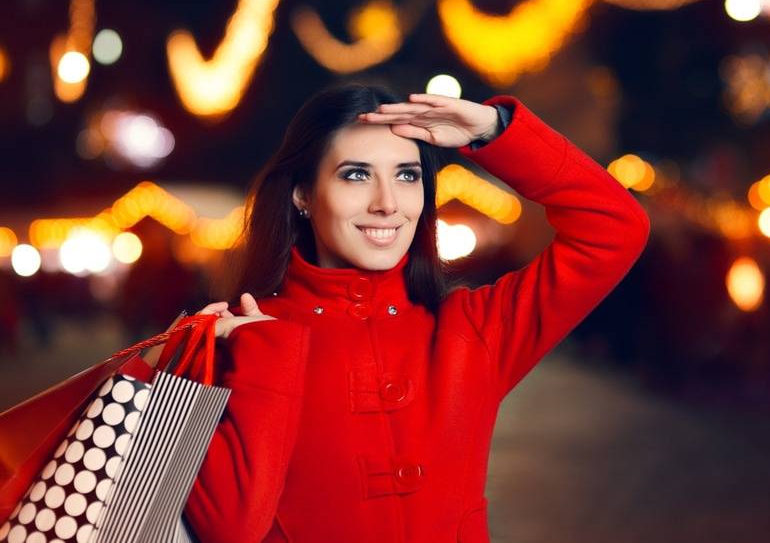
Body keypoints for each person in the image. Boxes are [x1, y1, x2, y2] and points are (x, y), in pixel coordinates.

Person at [184, 83, 650, 542]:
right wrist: (264, 360)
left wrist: (494, 130)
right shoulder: (237, 338)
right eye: (356, 174)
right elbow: (229, 530)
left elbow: (614, 228)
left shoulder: (473, 329)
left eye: (407, 175)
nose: (387, 204)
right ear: (302, 195)